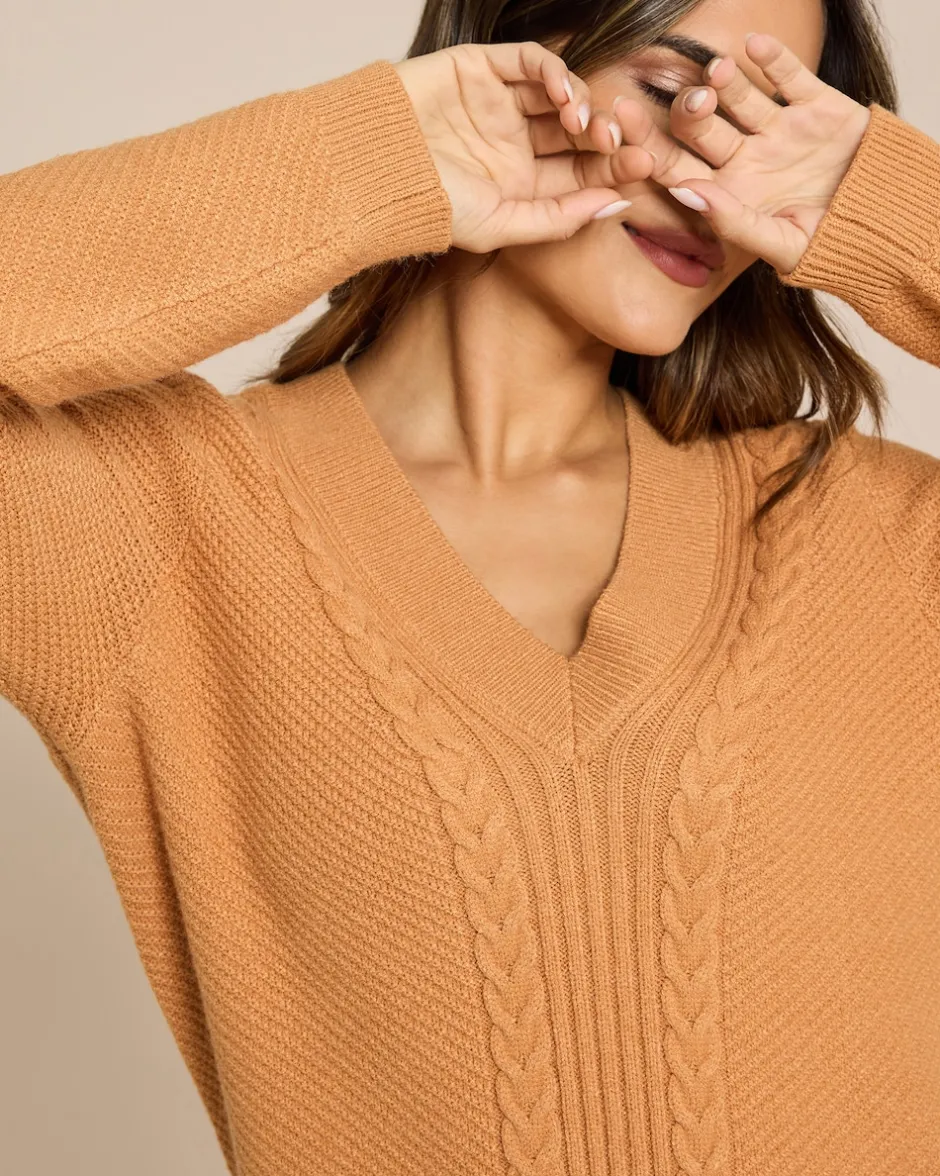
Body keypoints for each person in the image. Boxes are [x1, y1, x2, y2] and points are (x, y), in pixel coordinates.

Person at [2, 0, 939, 1171]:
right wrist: (373, 159)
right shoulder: (158, 534)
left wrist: (882, 203)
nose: (715, 183)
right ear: (513, 60)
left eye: (773, 127)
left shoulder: (882, 545)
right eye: (673, 94)